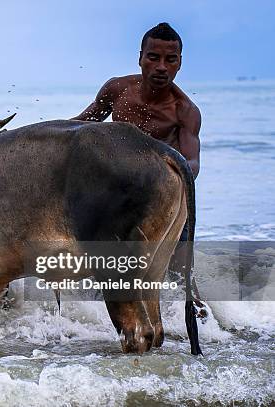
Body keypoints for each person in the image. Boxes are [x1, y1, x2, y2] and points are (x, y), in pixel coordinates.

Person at [72, 22, 203, 306]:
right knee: (100, 267)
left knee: (182, 278)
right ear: (140, 58)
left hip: (164, 197)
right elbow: (81, 126)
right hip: (114, 192)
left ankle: (209, 330)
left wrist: (161, 174)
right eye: (153, 57)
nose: (161, 67)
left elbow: (191, 164)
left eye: (170, 59)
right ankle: (89, 320)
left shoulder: (185, 111)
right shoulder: (118, 89)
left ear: (180, 63)